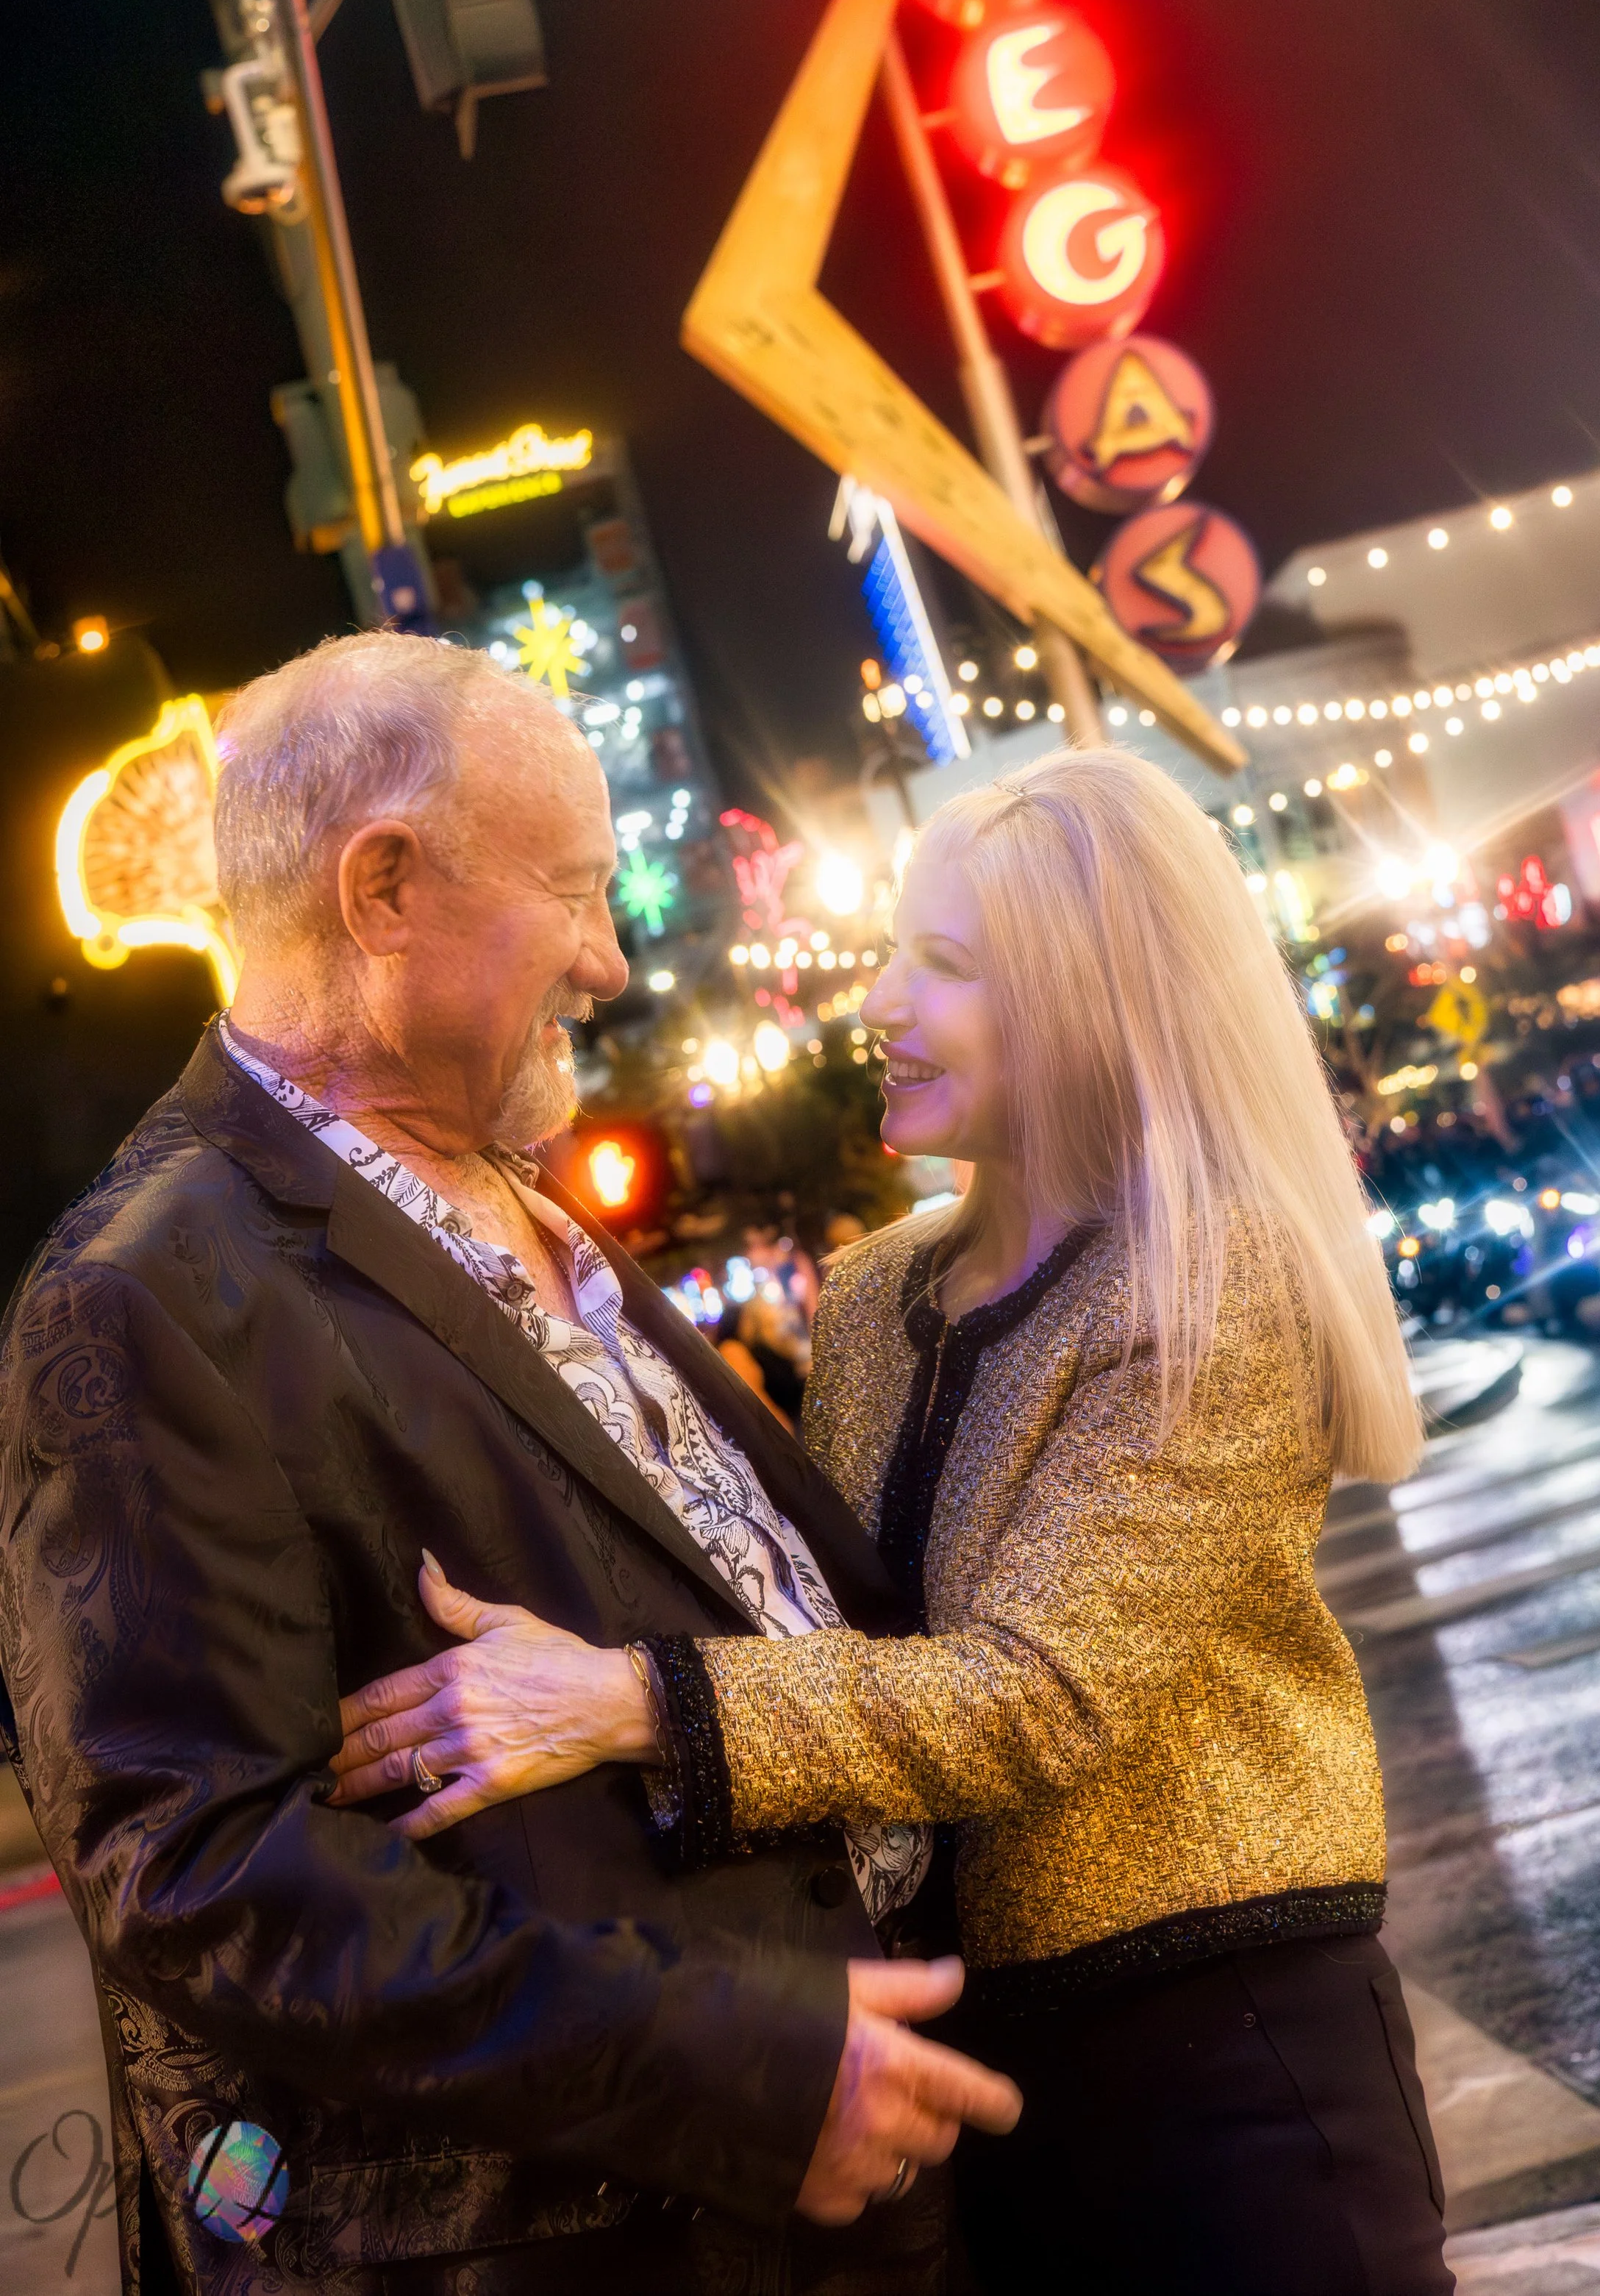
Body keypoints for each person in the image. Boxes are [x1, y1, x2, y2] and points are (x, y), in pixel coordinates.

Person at [332, 748, 1450, 2295]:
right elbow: (824, 1644)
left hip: (1225, 2057)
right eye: (885, 955)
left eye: (941, 969)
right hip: (961, 2075)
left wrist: (626, 1701)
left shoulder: (1211, 1277)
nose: (874, 1006)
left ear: (1086, 998)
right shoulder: (871, 1296)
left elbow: (1040, 1693)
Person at [0, 632, 1016, 2296]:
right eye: (575, 891)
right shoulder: (140, 1293)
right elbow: (194, 1878)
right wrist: (740, 2071)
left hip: (846, 2207)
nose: (609, 963)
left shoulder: (511, 1189)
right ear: (381, 888)